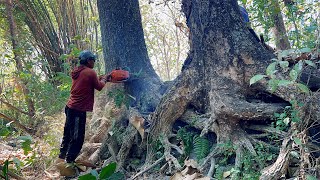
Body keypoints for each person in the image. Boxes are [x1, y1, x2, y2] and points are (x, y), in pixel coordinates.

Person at [57, 50, 108, 166]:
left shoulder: (78, 71)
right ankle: (69, 163)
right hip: (77, 110)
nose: (94, 62)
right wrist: (105, 79)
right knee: (77, 138)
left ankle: (61, 158)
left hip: (70, 107)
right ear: (89, 61)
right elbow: (99, 86)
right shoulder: (90, 72)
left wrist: (100, 78)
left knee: (68, 134)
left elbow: (88, 82)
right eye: (93, 60)